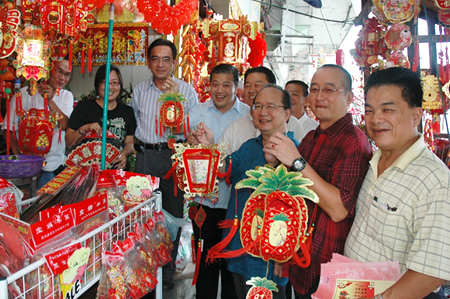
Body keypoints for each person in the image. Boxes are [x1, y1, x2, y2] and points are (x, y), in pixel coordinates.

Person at [263, 64, 373, 298]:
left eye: (329, 90)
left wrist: (297, 160)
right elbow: (295, 191)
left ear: (349, 97)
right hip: (303, 259)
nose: (320, 97)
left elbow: (339, 209)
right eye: (314, 89)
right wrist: (276, 162)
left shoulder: (354, 143)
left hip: (331, 268)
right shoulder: (312, 138)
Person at [344, 67, 450, 299]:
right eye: (370, 111)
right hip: (356, 288)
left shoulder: (435, 180)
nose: (376, 119)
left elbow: (431, 271)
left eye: (388, 110)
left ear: (416, 115)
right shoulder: (374, 159)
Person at [192, 84, 299, 299]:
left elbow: (294, 207)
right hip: (240, 245)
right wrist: (209, 146)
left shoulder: (293, 153)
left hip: (270, 253)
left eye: (271, 106)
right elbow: (224, 167)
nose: (262, 112)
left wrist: (282, 252)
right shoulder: (250, 146)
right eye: (257, 106)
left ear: (287, 113)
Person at [130, 38, 198, 289]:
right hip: (146, 157)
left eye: (166, 59)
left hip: (173, 156)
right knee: (143, 211)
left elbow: (192, 126)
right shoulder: (139, 91)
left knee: (172, 210)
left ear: (175, 62)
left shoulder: (186, 91)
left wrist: (175, 98)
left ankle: (167, 268)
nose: (160, 64)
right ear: (148, 62)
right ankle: (144, 264)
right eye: (155, 59)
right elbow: (136, 122)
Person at [187, 64, 248, 299]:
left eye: (226, 85)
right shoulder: (197, 113)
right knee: (205, 261)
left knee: (232, 264)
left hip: (235, 204)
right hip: (204, 202)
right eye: (215, 84)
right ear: (208, 85)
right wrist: (191, 143)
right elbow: (187, 155)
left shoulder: (248, 116)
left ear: (237, 86)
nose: (220, 90)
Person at [2, 59, 74, 189]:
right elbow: (8, 130)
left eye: (67, 74)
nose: (63, 78)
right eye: (59, 72)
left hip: (53, 165)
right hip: (25, 167)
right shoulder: (22, 95)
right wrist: (20, 159)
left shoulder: (66, 96)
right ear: (48, 70)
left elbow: (64, 125)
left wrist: (50, 100)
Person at [220, 66, 307, 153]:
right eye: (247, 86)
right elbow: (222, 160)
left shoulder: (292, 124)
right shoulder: (235, 128)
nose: (251, 90)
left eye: (257, 85)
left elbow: (300, 157)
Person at [65, 65, 136, 170]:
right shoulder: (84, 107)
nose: (110, 87)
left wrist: (124, 154)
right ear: (97, 85)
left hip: (116, 171)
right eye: (105, 82)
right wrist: (84, 129)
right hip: (86, 172)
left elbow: (129, 142)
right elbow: (68, 141)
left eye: (115, 83)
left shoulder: (127, 111)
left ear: (120, 85)